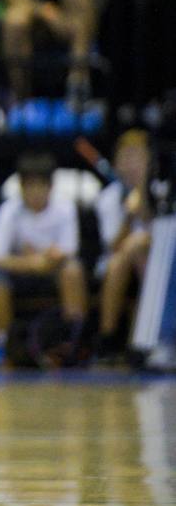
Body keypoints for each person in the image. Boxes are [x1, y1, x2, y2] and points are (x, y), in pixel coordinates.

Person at [0, 152, 87, 366]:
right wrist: (32, 263)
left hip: (53, 271)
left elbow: (69, 251)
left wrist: (43, 261)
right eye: (29, 186)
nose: (35, 192)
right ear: (20, 187)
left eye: (41, 185)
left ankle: (72, 340)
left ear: (51, 186)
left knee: (73, 270)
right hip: (20, 273)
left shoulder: (65, 208)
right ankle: (3, 344)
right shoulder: (8, 210)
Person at [94, 130, 154, 362]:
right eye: (124, 158)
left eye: (137, 157)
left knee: (139, 251)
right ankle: (108, 339)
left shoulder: (162, 194)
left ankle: (143, 340)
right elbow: (113, 246)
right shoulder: (109, 198)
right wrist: (129, 216)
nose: (130, 165)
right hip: (117, 265)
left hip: (153, 264)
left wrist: (146, 212)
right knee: (122, 257)